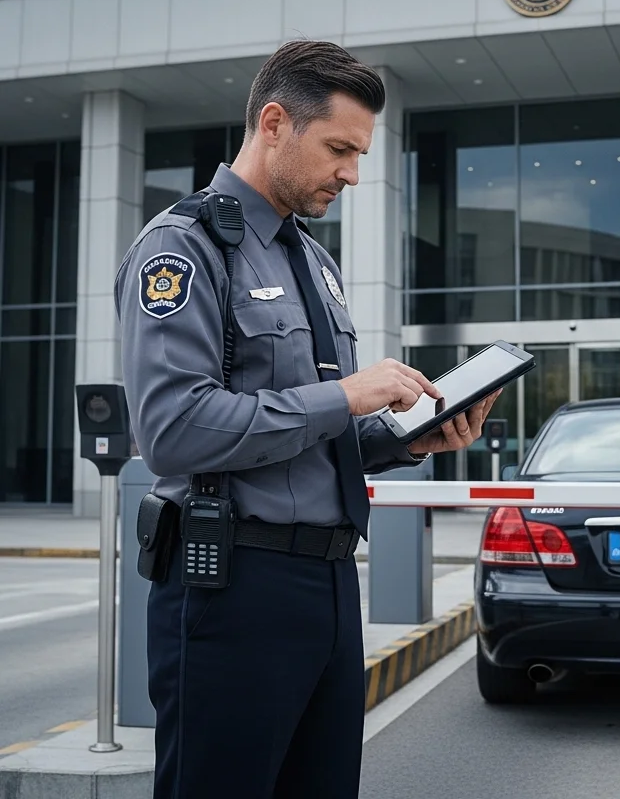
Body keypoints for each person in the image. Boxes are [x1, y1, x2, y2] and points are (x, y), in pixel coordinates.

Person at [114, 40, 500, 799]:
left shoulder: (314, 264)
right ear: (274, 122)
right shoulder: (184, 250)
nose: (352, 174)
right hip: (231, 590)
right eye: (339, 150)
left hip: (326, 584)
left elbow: (316, 433)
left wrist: (410, 433)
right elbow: (173, 430)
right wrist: (348, 395)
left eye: (359, 153)